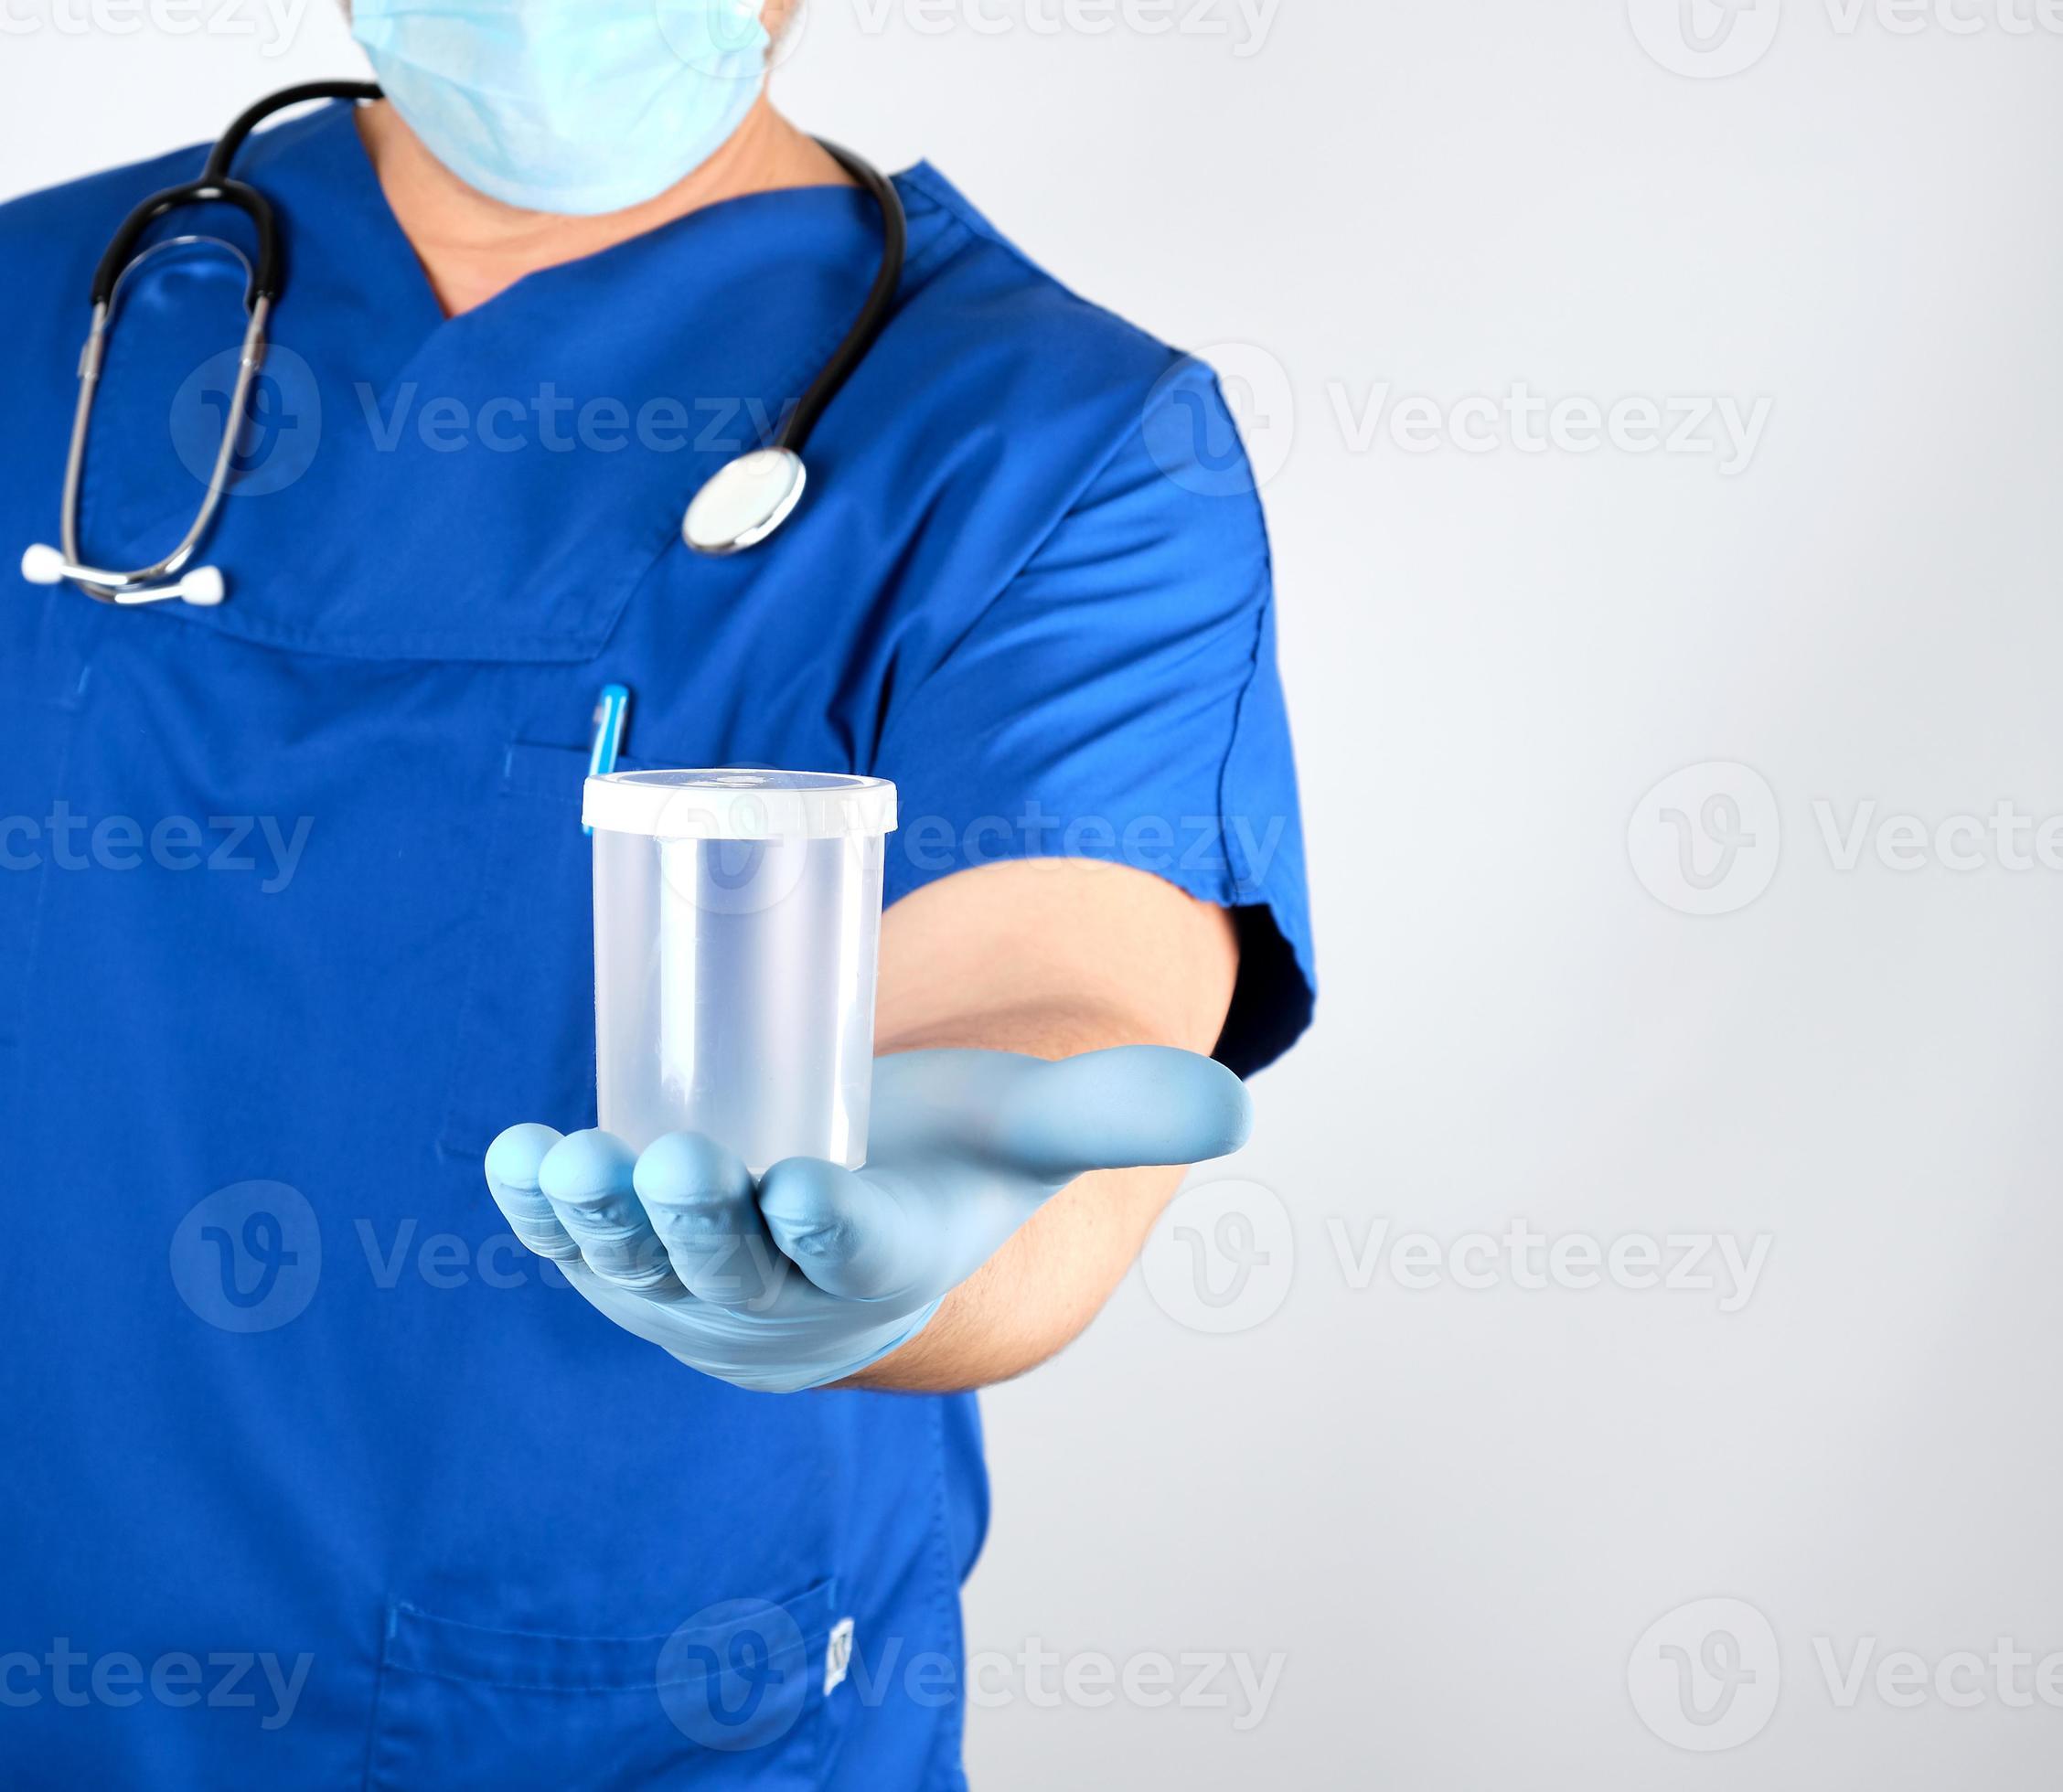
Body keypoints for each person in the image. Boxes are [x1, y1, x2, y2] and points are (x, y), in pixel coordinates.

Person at [0, 2, 1312, 1784]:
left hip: (636, 1714)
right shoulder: (44, 307)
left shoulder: (1051, 445)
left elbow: (1047, 988)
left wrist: (922, 1226)